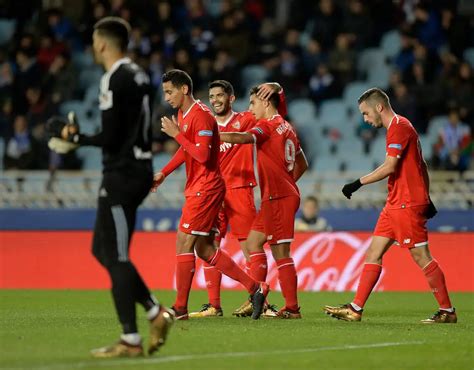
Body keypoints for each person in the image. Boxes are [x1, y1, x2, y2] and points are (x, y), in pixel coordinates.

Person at [49, 17, 174, 357]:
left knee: (116, 255)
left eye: (94, 40)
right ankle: (152, 310)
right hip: (138, 169)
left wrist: (76, 138)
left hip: (122, 174)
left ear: (103, 43)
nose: (93, 46)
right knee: (101, 249)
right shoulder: (139, 74)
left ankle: (131, 339)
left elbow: (111, 136)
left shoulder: (113, 78)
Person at [324, 88, 457, 324]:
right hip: (395, 202)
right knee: (373, 252)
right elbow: (422, 165)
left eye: (365, 114)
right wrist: (425, 196)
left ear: (379, 108)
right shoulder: (399, 127)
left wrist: (357, 183)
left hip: (406, 203)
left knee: (421, 256)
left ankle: (447, 311)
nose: (365, 120)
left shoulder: (399, 127)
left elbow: (389, 167)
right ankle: (355, 309)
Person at [151, 69, 269, 321]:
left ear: (184, 89)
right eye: (164, 92)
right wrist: (164, 173)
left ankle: (180, 308)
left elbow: (203, 155)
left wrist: (176, 135)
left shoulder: (202, 117)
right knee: (204, 249)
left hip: (206, 187)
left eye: (170, 91)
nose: (167, 97)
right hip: (198, 186)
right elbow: (187, 151)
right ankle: (255, 288)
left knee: (184, 242)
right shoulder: (184, 114)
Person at [189, 80, 287, 318]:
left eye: (220, 95)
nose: (215, 100)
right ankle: (214, 305)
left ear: (231, 98)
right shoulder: (205, 124)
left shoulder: (246, 119)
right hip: (213, 192)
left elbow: (277, 116)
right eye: (211, 96)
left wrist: (277, 89)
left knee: (249, 247)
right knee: (208, 245)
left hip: (239, 189)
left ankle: (259, 301)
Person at [220, 85, 308, 319]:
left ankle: (292, 308)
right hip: (276, 196)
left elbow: (243, 138)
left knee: (281, 254)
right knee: (253, 243)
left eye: (252, 103)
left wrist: (213, 133)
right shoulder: (287, 126)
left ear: (266, 104)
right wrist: (287, 182)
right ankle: (257, 294)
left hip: (279, 198)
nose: (250, 109)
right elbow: (303, 163)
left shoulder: (267, 126)